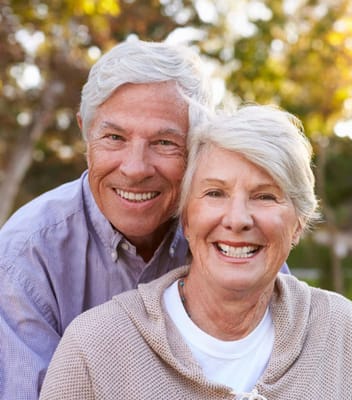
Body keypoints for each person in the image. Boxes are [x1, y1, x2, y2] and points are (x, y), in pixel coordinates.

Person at [0, 39, 284, 399]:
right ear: (85, 131)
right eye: (114, 137)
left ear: (198, 146)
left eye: (164, 143)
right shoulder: (24, 256)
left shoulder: (233, 236)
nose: (135, 169)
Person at [40, 105, 352, 399]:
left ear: (298, 224)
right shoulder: (95, 345)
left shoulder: (339, 328)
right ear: (186, 218)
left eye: (265, 196)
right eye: (215, 193)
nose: (237, 220)